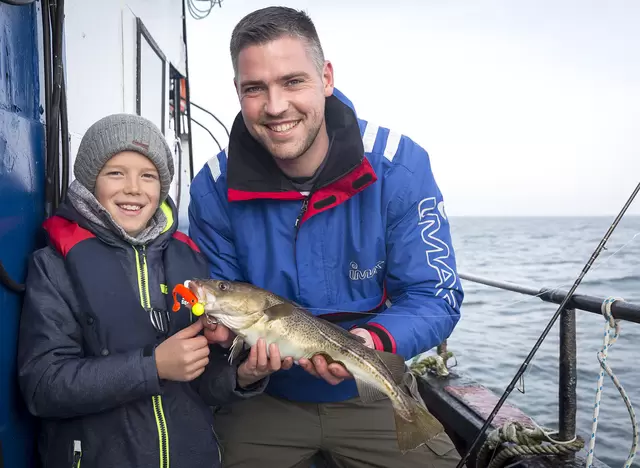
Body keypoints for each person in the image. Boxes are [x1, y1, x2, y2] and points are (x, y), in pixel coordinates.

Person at [188, 6, 465, 468]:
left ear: (327, 77)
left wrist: (373, 339)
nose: (275, 106)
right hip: (262, 399)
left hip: (367, 389)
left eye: (293, 81)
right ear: (237, 92)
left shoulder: (398, 164)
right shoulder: (214, 186)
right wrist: (228, 348)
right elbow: (221, 297)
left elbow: (434, 295)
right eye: (255, 88)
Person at [16, 114, 292, 468]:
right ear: (89, 181)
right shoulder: (54, 265)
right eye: (115, 172)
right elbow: (43, 387)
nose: (133, 188)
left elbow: (202, 382)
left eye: (148, 176)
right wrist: (154, 367)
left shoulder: (190, 260)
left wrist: (240, 376)